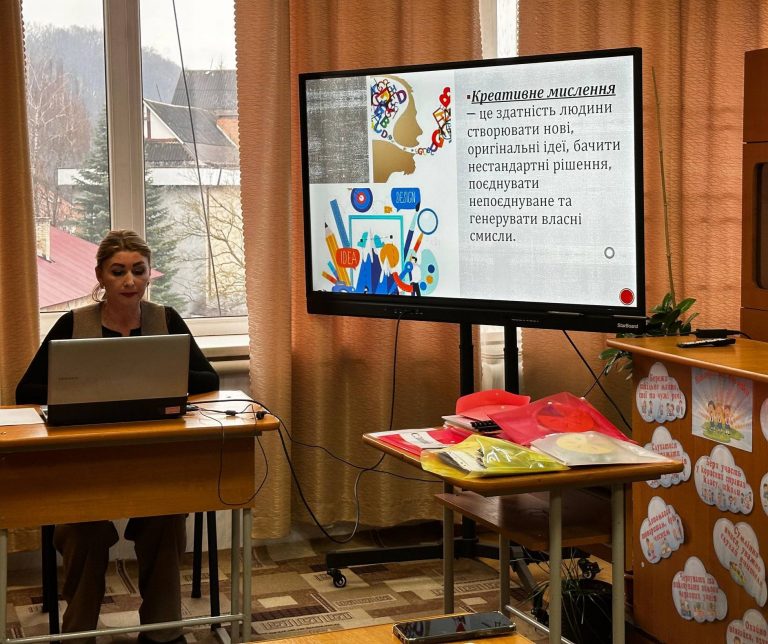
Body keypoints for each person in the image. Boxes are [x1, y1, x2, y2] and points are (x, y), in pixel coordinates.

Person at [16, 229, 220, 644]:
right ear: (101, 277)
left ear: (148, 275)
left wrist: (148, 372)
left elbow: (208, 379)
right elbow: (26, 391)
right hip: (84, 462)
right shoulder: (74, 323)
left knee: (166, 521)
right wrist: (88, 381)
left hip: (154, 459)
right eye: (118, 271)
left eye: (138, 271)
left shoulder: (166, 319)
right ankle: (78, 634)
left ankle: (163, 632)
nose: (129, 280)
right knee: (84, 532)